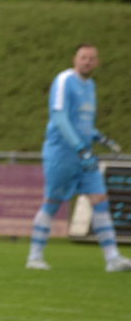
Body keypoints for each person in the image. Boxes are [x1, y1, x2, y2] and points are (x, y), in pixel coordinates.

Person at [26, 43, 131, 272]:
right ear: (75, 59)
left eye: (92, 58)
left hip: (84, 156)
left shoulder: (90, 85)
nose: (87, 62)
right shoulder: (64, 81)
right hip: (61, 154)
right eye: (83, 57)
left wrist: (100, 138)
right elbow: (61, 119)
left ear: (97, 62)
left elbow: (82, 124)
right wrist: (80, 148)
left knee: (100, 200)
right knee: (52, 203)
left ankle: (113, 259)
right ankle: (34, 257)